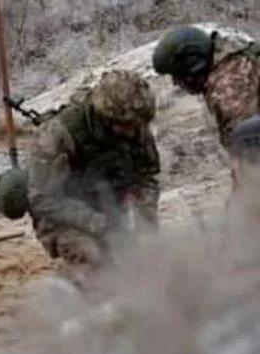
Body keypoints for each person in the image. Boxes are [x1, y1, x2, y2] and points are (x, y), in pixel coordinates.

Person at [26, 70, 160, 273]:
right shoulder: (58, 136)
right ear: (108, 118)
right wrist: (95, 222)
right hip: (65, 218)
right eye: (127, 127)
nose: (134, 133)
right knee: (95, 263)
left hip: (113, 210)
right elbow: (43, 200)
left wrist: (144, 219)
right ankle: (69, 294)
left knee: (149, 257)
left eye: (137, 126)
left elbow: (147, 176)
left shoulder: (134, 125)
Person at [152, 25, 259, 146]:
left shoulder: (227, 88)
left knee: (244, 136)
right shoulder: (226, 54)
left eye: (178, 75)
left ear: (194, 68)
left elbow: (245, 146)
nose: (175, 82)